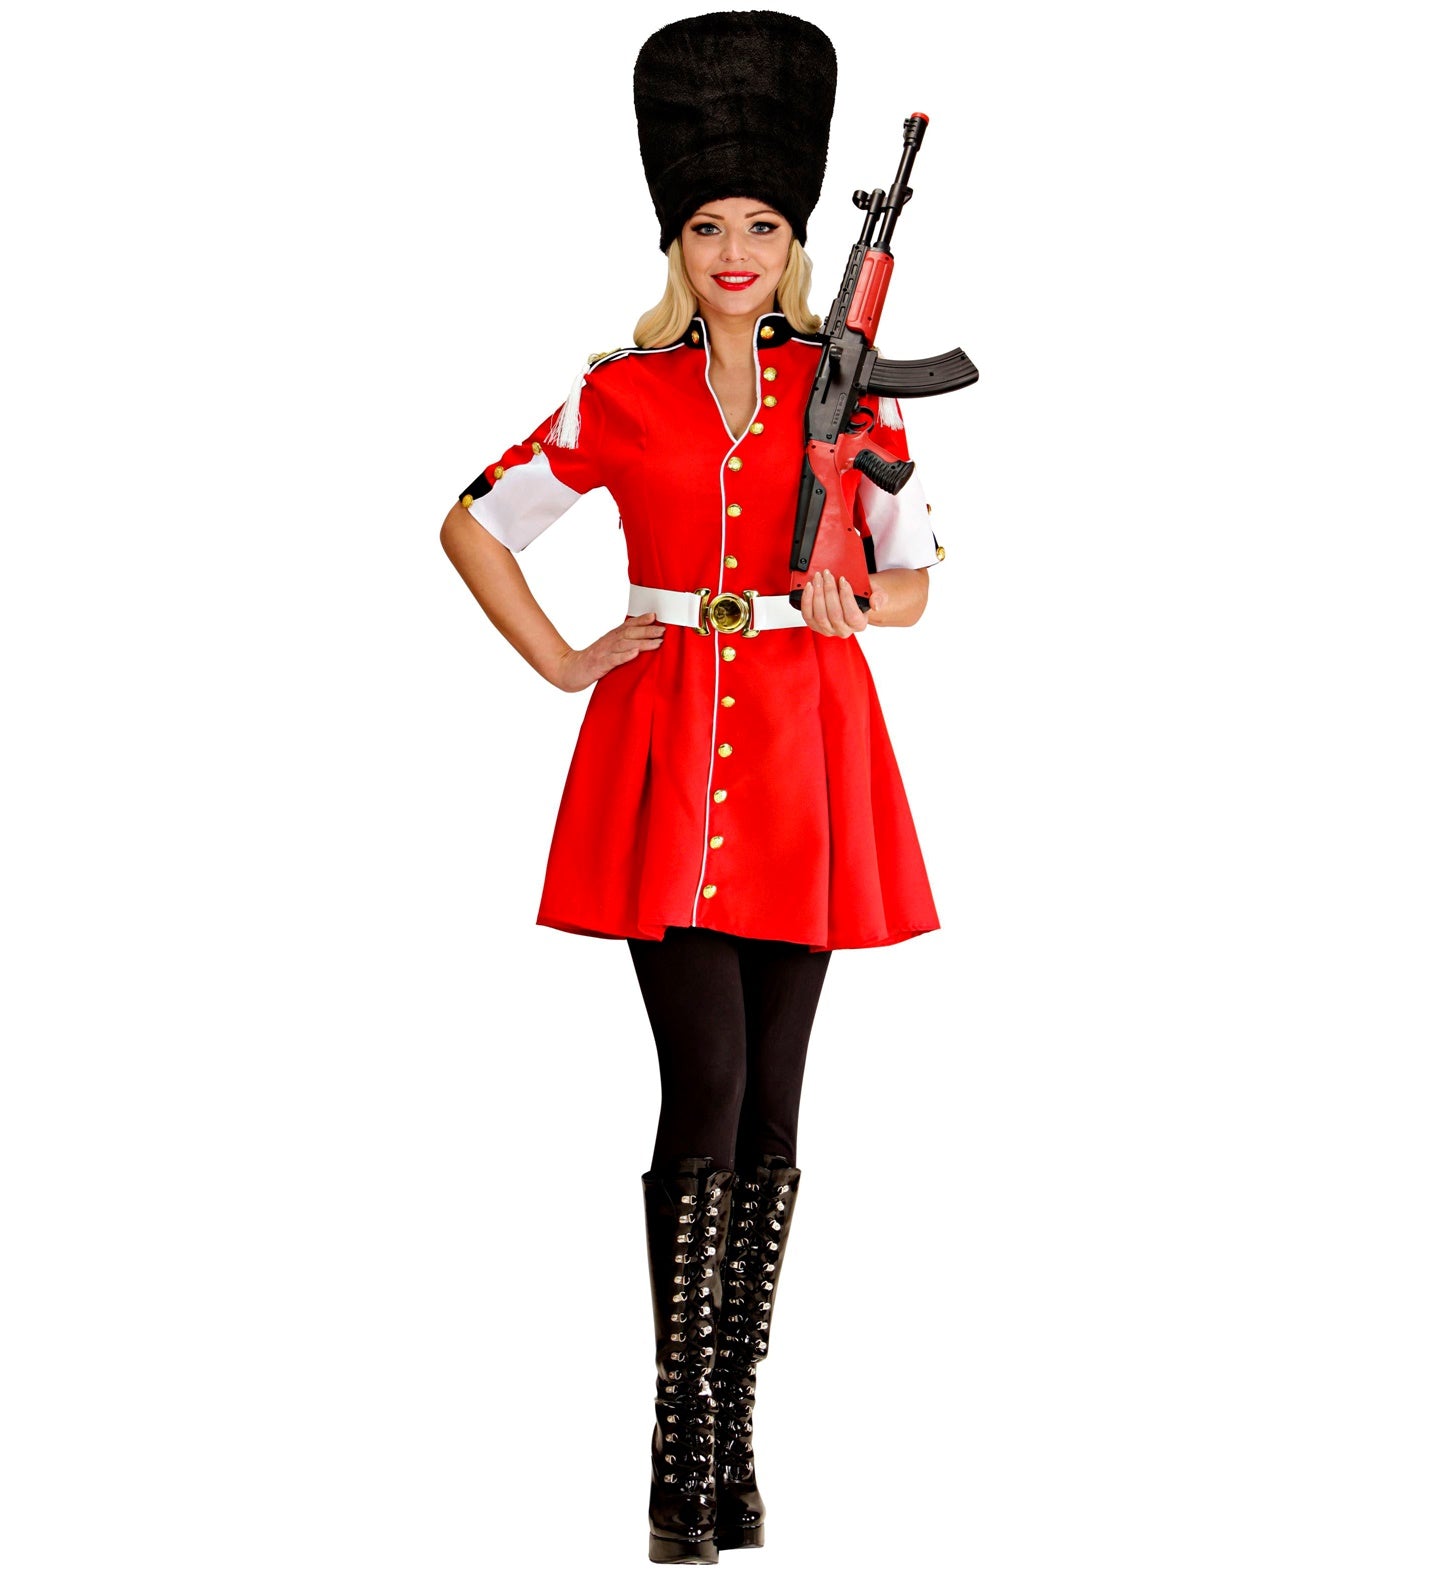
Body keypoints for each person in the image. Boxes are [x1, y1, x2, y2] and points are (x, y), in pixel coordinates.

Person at [439, 11, 946, 1563]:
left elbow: (921, 576)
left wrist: (861, 602)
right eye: (709, 226)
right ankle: (680, 1446)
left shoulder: (850, 395)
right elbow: (473, 525)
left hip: (808, 747)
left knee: (777, 1097)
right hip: (663, 744)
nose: (735, 252)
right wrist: (561, 658)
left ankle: (733, 1436)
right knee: (704, 1085)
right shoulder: (620, 393)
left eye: (763, 227)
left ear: (797, 243)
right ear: (676, 241)